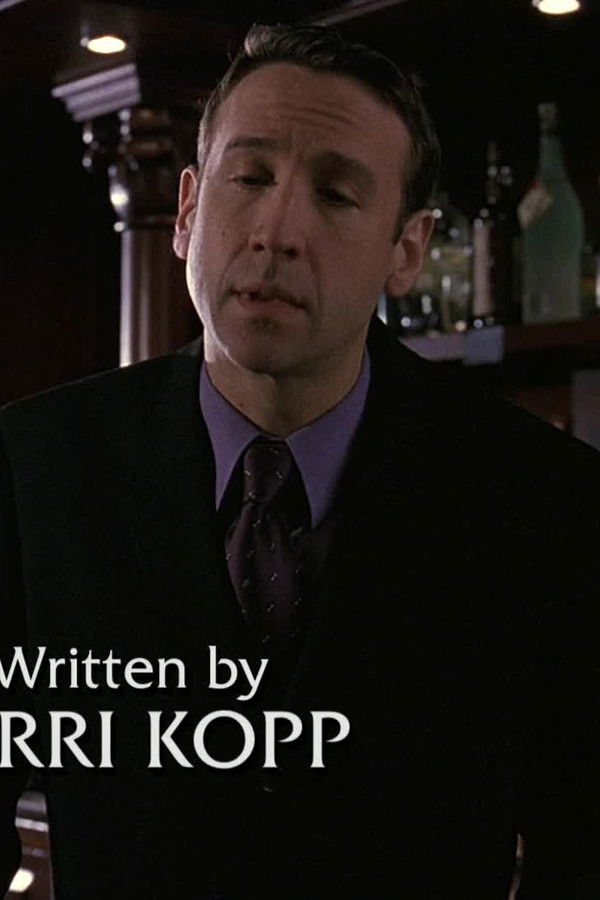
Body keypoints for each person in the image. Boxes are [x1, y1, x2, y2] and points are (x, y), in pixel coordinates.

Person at [1, 22, 599, 900]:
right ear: (188, 210)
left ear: (407, 248)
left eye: (336, 194)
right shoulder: (35, 470)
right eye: (249, 178)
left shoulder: (540, 501)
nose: (276, 231)